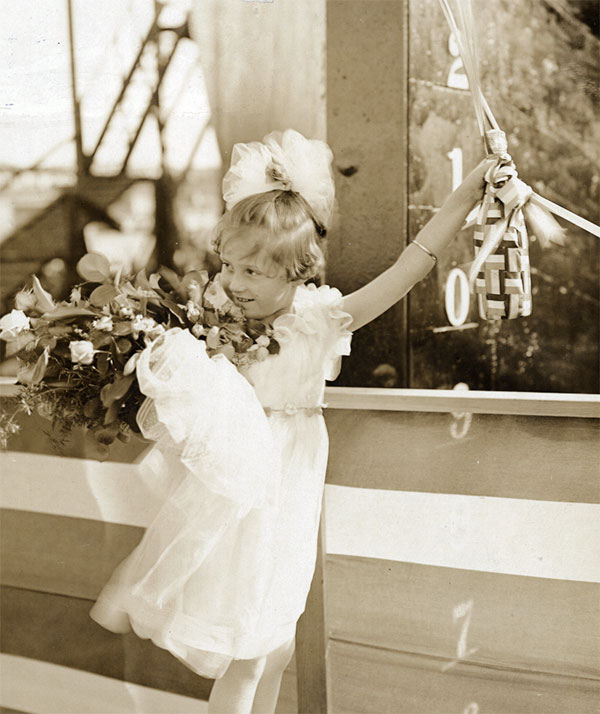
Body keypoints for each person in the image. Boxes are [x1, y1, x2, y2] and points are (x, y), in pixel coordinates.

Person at [90, 129, 492, 714]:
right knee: (253, 647)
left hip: (290, 479)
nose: (234, 281)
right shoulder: (213, 319)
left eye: (254, 271)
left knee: (276, 644)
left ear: (299, 271)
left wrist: (464, 197)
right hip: (244, 486)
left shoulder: (321, 318)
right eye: (230, 265)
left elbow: (409, 268)